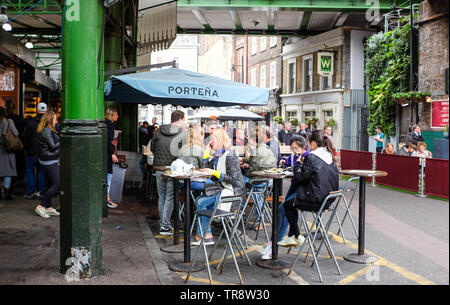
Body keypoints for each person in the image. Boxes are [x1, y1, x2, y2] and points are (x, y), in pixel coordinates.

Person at [282, 130, 339, 247]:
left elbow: (300, 178)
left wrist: (298, 164)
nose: (307, 145)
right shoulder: (330, 155)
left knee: (287, 205)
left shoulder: (312, 157)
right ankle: (292, 237)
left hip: (315, 200)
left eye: (308, 143)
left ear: (313, 143)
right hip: (328, 200)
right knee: (290, 203)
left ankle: (296, 236)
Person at [193, 128, 245, 246]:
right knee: (199, 200)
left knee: (201, 202)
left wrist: (215, 173)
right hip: (223, 189)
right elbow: (206, 165)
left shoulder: (230, 155)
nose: (211, 142)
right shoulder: (218, 155)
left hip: (233, 193)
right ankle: (206, 234)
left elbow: (234, 180)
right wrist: (207, 151)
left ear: (220, 140)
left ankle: (206, 236)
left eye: (213, 139)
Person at [262, 135, 310, 259]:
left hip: (302, 190)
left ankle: (275, 244)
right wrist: (282, 160)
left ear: (303, 147)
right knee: (281, 211)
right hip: (294, 187)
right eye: (292, 148)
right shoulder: (295, 156)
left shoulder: (308, 157)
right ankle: (276, 243)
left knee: (282, 210)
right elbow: (288, 162)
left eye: (296, 148)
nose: (294, 151)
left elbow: (303, 175)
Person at [151, 110, 187, 236]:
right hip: (172, 170)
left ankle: (163, 224)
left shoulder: (159, 131)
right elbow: (184, 152)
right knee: (170, 198)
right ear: (181, 119)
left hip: (159, 168)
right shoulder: (182, 133)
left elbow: (151, 148)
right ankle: (165, 226)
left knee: (162, 197)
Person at [34, 111, 60, 218]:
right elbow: (53, 146)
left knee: (49, 184)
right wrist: (62, 138)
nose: (56, 121)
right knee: (57, 184)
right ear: (50, 120)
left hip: (47, 159)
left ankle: (48, 207)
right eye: (55, 119)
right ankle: (42, 205)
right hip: (50, 160)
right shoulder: (47, 131)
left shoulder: (47, 130)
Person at [22, 103, 47, 199]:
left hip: (31, 152)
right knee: (42, 172)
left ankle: (30, 192)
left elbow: (26, 138)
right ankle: (41, 192)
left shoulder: (31, 122)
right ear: (46, 110)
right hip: (43, 152)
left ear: (37, 110)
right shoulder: (47, 123)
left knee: (30, 171)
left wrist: (26, 148)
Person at [0, 106, 18, 201]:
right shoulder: (8, 121)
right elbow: (16, 133)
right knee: (7, 172)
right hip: (7, 149)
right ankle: (7, 192)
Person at [105, 107, 119, 209]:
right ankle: (107, 199)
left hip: (105, 153)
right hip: (107, 154)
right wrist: (112, 153)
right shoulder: (110, 125)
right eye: (116, 115)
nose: (117, 116)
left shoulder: (105, 124)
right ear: (111, 115)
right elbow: (108, 141)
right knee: (108, 176)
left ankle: (107, 198)